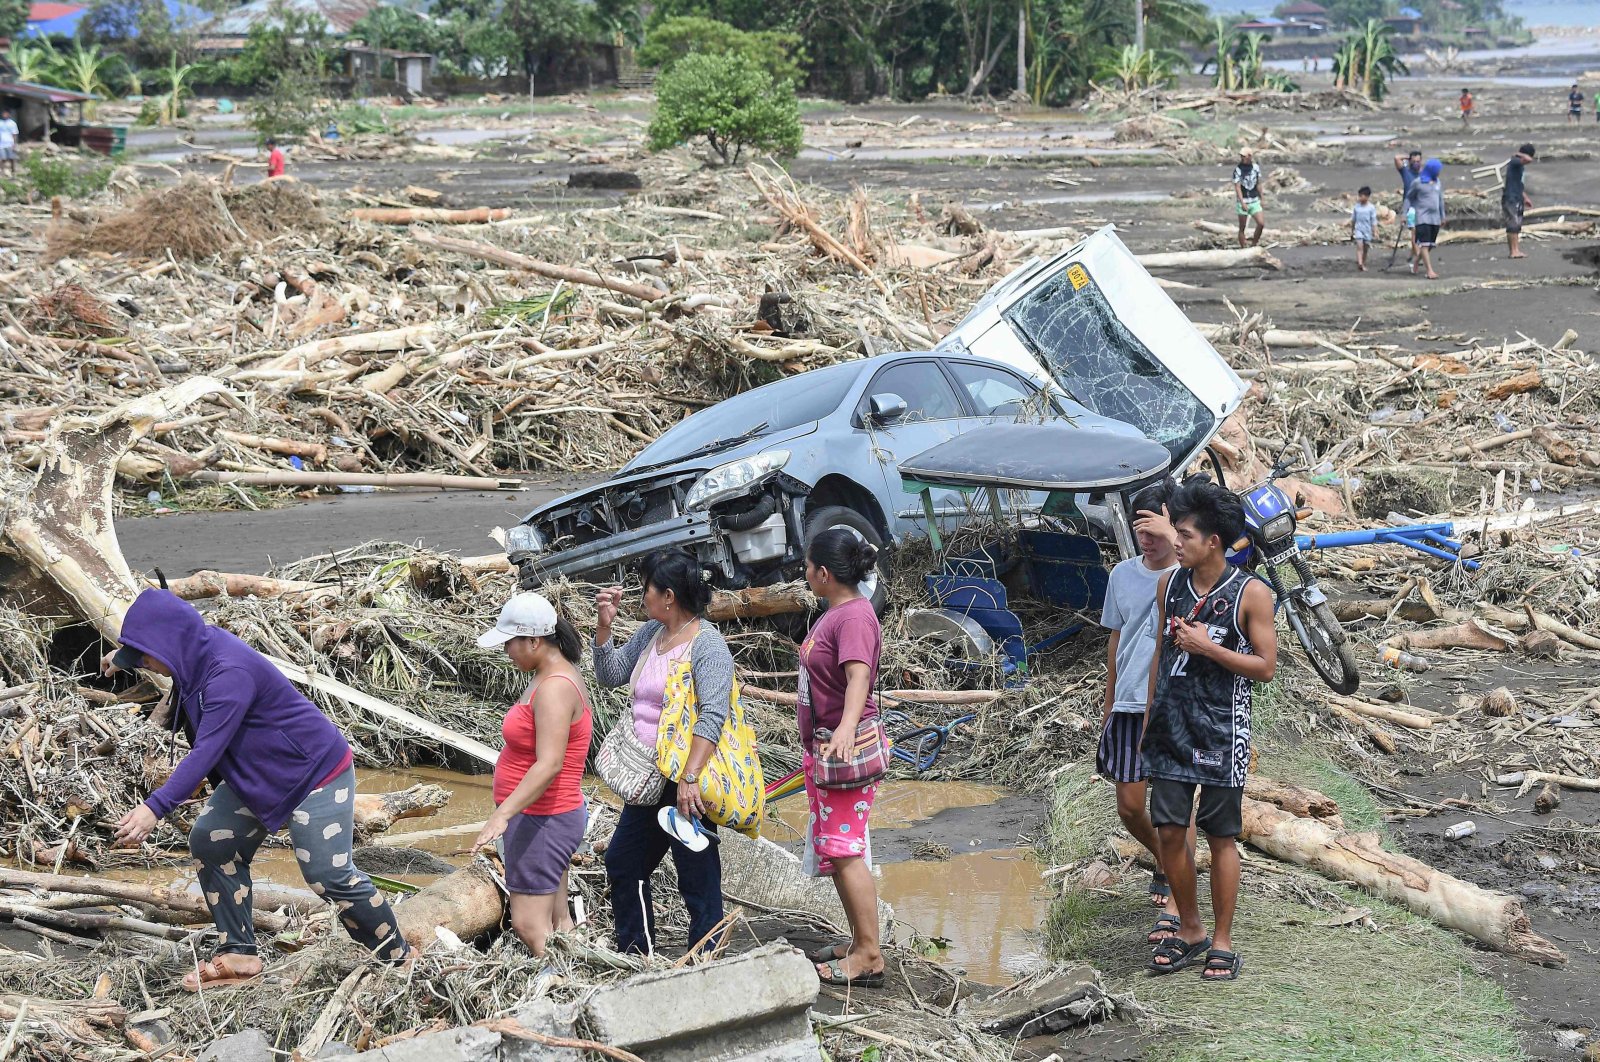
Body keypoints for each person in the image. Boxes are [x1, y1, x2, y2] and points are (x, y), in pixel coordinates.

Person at [104, 589, 409, 989]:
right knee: (213, 839)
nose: (145, 665)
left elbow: (205, 753)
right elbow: (166, 665)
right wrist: (123, 656)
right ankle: (239, 954)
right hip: (258, 773)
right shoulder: (193, 652)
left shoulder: (228, 673)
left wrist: (153, 808)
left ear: (169, 645)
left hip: (314, 772)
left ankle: (398, 960)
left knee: (326, 874)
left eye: (145, 657)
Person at [1142, 481, 1277, 982]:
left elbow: (1265, 667)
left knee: (1221, 835)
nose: (1176, 542)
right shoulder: (1169, 585)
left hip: (1223, 731)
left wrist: (1209, 648)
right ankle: (1191, 928)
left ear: (1213, 540)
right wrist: (1149, 720)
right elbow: (1161, 653)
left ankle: (1222, 939)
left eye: (1185, 534)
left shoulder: (1251, 594)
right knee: (1171, 832)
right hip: (1170, 729)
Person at [593, 550, 733, 957]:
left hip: (686, 778)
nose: (641, 597)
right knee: (624, 863)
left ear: (668, 596)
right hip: (650, 777)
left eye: (646, 590)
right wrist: (604, 629)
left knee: (697, 877)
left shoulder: (707, 646)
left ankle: (706, 961)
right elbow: (610, 676)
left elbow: (713, 714)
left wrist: (690, 778)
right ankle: (638, 956)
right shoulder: (653, 634)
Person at [1097, 481, 1193, 945]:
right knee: (1131, 807)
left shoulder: (1190, 573)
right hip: (1130, 702)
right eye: (1140, 531)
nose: (1146, 539)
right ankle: (1165, 858)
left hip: (1174, 705)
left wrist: (1174, 538)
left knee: (1176, 809)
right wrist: (1110, 698)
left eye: (1153, 529)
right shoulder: (1122, 575)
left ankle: (1178, 899)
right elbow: (1116, 640)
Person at [472, 592, 593, 957]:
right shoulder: (548, 675)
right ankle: (575, 981)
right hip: (544, 817)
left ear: (535, 640)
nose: (506, 650)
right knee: (558, 923)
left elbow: (550, 763)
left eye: (510, 642)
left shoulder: (555, 687)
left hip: (545, 819)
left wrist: (502, 814)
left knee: (528, 924)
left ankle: (561, 994)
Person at [797, 529, 887, 988]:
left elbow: (858, 676)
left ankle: (869, 955)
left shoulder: (853, 617)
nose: (805, 572)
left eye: (808, 566)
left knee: (846, 851)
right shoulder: (836, 612)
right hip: (827, 749)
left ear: (824, 573)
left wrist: (848, 726)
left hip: (845, 750)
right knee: (836, 849)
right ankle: (858, 941)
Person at [1404, 159, 1444, 279]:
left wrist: (1443, 216)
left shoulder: (1438, 183)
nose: (1439, 173)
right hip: (1422, 217)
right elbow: (1408, 198)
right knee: (1425, 244)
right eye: (1437, 170)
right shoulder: (1418, 183)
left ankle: (1416, 260)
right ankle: (1429, 271)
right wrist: (1403, 214)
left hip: (1435, 218)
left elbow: (1441, 200)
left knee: (1430, 245)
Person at [1502, 143, 1535, 260]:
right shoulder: (1515, 161)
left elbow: (1518, 184)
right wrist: (1519, 154)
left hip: (1517, 196)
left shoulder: (1520, 166)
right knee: (1513, 224)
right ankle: (1513, 251)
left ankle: (1516, 249)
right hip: (1511, 198)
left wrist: (1525, 198)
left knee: (1517, 225)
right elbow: (1528, 159)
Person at [1393, 149, 1423, 267]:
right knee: (1414, 233)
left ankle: (1413, 254)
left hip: (1421, 206)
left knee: (1420, 233)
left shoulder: (1423, 174)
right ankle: (1418, 256)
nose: (1416, 163)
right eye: (1414, 161)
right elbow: (1396, 158)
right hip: (1410, 207)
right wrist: (1408, 157)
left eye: (1418, 161)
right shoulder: (1406, 172)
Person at [1231, 147, 1265, 249]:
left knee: (1261, 223)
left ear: (1250, 156)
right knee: (1242, 227)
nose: (1242, 158)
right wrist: (1242, 203)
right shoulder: (1238, 169)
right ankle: (1243, 247)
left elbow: (1258, 183)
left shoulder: (1255, 167)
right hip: (1244, 200)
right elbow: (1237, 187)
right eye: (1241, 156)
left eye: (1244, 156)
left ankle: (1254, 244)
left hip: (1254, 200)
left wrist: (1262, 197)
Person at [1349, 185, 1378, 272]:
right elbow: (1353, 220)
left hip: (1367, 230)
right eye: (1359, 196)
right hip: (1359, 229)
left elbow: (1373, 220)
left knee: (1365, 248)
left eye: (1362, 196)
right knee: (1359, 246)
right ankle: (1360, 264)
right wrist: (1352, 230)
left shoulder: (1371, 208)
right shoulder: (1356, 207)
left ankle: (1363, 262)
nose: (1360, 198)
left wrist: (1375, 231)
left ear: (1367, 197)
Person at [0, 109, 18, 178]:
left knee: (11, 158)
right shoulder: (0, 123)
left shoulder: (12, 123)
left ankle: (13, 172)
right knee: (2, 159)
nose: (4, 115)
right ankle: (2, 173)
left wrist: (14, 144)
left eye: (6, 113)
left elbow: (14, 134)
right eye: (3, 113)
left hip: (10, 143)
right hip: (1, 144)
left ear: (9, 114)